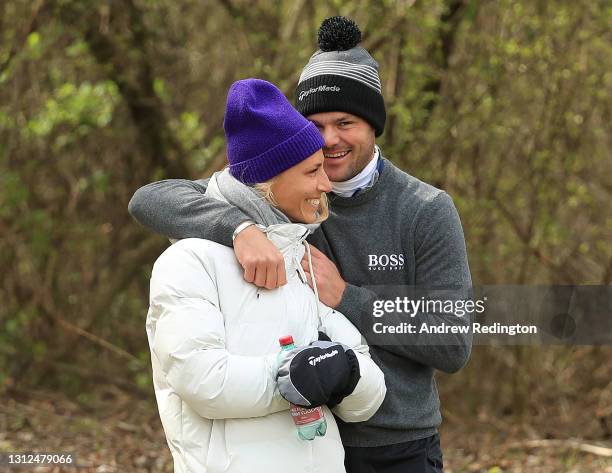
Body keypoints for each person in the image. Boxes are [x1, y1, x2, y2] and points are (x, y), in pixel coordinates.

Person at [131, 17, 471, 473]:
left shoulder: (425, 208)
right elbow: (151, 198)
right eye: (316, 125)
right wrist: (240, 229)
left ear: (373, 125)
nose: (330, 140)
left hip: (398, 445)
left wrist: (348, 298)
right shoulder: (284, 197)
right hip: (305, 443)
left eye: (345, 122)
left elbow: (452, 339)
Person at [144, 78, 386, 473]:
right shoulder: (190, 262)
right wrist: (294, 377)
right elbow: (202, 381)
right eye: (312, 171)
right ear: (267, 182)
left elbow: (368, 397)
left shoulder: (300, 256)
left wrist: (346, 374)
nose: (326, 184)